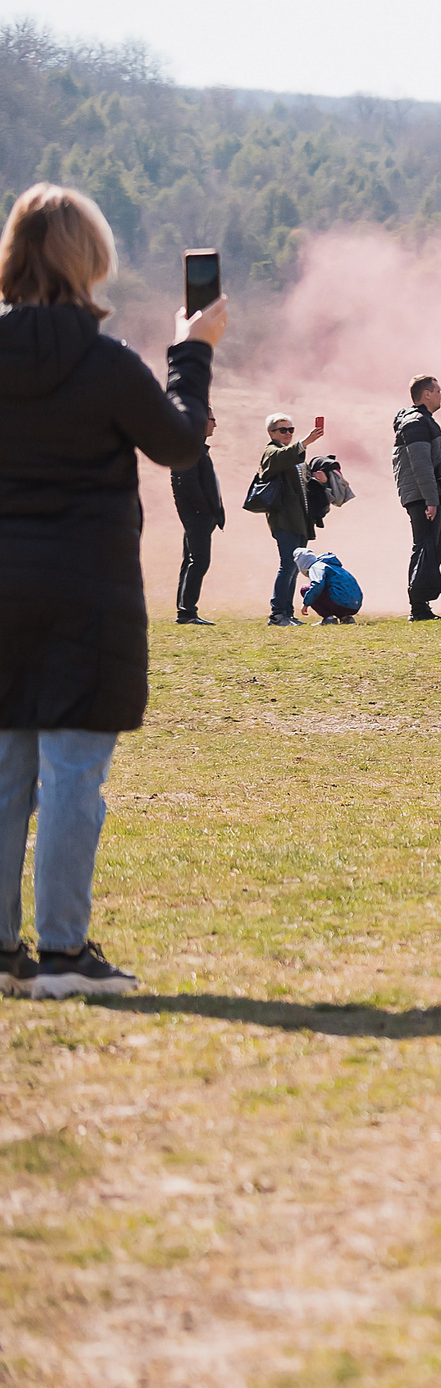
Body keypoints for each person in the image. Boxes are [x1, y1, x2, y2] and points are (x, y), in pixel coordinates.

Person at [0, 182, 224, 997]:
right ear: (89, 259)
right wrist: (192, 351)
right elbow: (177, 442)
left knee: (6, 773)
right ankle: (61, 954)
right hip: (84, 594)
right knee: (70, 778)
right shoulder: (105, 363)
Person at [390, 375, 441, 622]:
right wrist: (431, 500)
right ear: (426, 394)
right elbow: (421, 465)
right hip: (424, 496)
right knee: (425, 546)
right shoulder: (416, 423)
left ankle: (422, 598)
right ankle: (418, 607)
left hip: (429, 494)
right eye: (438, 391)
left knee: (437, 545)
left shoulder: (422, 421)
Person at [254, 411, 324, 626]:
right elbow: (280, 459)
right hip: (284, 519)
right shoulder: (271, 451)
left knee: (294, 566)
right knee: (288, 565)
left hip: (298, 519)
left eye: (290, 430)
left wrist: (316, 478)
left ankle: (287, 613)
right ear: (271, 433)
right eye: (282, 430)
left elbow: (298, 480)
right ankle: (277, 614)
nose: (287, 433)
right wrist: (306, 442)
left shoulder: (291, 454)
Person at [170, 409, 221, 626]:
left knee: (191, 560)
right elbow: (186, 485)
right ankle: (187, 612)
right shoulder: (190, 448)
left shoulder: (194, 447)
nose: (215, 425)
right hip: (197, 516)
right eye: (212, 420)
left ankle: (186, 611)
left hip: (198, 516)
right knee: (199, 561)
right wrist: (204, 511)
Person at [289, 545, 364, 623]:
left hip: (339, 604)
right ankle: (346, 617)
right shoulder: (333, 567)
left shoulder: (315, 567)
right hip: (354, 607)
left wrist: (306, 604)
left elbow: (317, 584)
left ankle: (329, 619)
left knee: (305, 589)